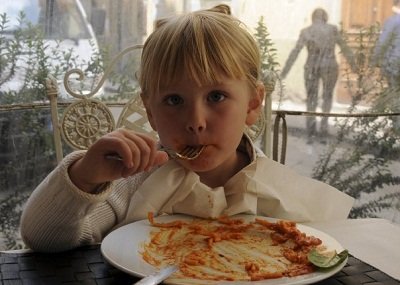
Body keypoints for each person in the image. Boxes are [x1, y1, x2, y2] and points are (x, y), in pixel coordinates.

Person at [20, 5, 354, 252]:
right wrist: (84, 176)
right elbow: (42, 239)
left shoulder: (273, 188)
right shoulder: (131, 183)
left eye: (216, 96)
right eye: (174, 100)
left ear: (252, 104)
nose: (195, 121)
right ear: (150, 111)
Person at [281, 8, 355, 143]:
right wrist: (354, 65)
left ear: (313, 18)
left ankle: (311, 133)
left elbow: (295, 52)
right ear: (325, 18)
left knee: (311, 99)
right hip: (329, 67)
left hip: (312, 67)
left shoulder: (306, 31)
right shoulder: (333, 29)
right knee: (327, 98)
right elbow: (344, 47)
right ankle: (323, 131)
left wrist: (284, 72)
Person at [373, 0, 400, 90]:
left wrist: (375, 61)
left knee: (394, 93)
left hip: (394, 65)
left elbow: (382, 43)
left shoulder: (392, 21)